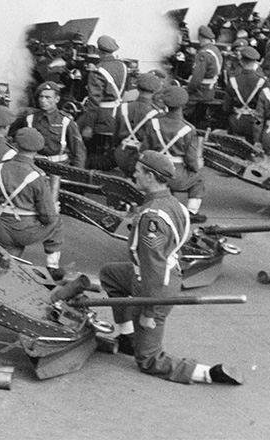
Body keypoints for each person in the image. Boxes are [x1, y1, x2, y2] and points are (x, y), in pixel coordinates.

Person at [98, 151, 243, 386]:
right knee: (110, 274)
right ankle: (127, 337)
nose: (134, 173)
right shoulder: (177, 206)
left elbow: (153, 269)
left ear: (151, 176)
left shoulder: (152, 218)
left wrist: (148, 311)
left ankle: (209, 373)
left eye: (139, 171)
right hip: (155, 274)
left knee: (149, 360)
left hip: (156, 287)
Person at [0, 127, 65, 281]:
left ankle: (2, 273)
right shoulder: (37, 175)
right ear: (37, 149)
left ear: (17, 145)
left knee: (9, 259)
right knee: (56, 221)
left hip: (1, 227)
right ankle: (52, 267)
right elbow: (47, 217)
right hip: (25, 230)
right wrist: (54, 210)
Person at [139, 86, 207, 223]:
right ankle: (192, 211)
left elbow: (144, 149)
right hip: (177, 175)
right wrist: (196, 167)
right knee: (198, 178)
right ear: (183, 105)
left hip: (156, 172)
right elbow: (191, 160)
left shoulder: (153, 123)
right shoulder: (188, 129)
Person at [77, 35, 128, 164]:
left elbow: (94, 101)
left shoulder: (98, 72)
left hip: (101, 119)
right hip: (117, 116)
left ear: (99, 51)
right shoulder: (123, 66)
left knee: (76, 132)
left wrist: (88, 126)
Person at [24, 81, 86, 168]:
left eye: (47, 97)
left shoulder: (66, 121)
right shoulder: (30, 119)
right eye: (41, 97)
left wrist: (78, 174)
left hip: (59, 167)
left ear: (57, 99)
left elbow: (79, 152)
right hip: (35, 165)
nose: (43, 100)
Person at [113, 72, 163, 176]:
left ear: (138, 88)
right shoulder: (158, 113)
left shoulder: (123, 107)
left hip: (120, 154)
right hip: (141, 158)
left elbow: (115, 136)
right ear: (155, 91)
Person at [222, 46, 267, 143]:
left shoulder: (233, 80)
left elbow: (226, 107)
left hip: (236, 120)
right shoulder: (262, 81)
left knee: (233, 148)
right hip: (255, 122)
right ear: (255, 62)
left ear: (241, 61)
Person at [187, 25, 222, 129]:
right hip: (210, 90)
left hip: (200, 92)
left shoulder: (203, 54)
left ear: (200, 38)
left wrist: (187, 90)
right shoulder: (215, 50)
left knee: (180, 102)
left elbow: (196, 79)